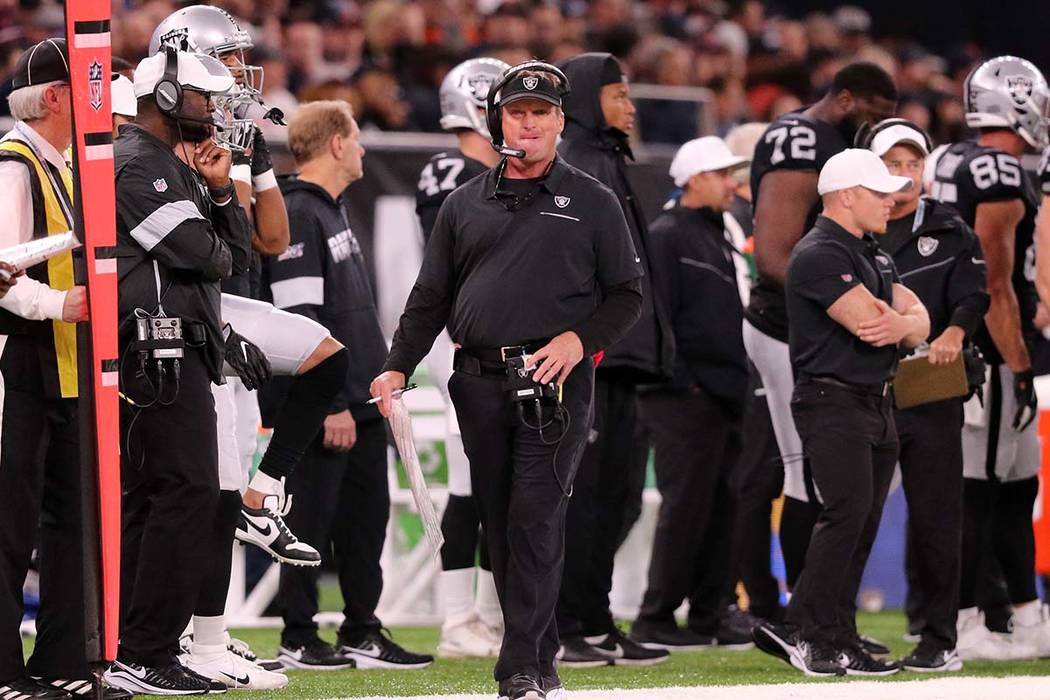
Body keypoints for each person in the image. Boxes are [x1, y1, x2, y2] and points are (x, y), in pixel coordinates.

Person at [371, 60, 643, 700]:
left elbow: (627, 295)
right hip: (478, 381)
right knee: (498, 518)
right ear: (497, 120)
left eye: (541, 113)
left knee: (534, 518)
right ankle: (540, 655)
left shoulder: (595, 203)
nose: (529, 124)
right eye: (517, 112)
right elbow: (430, 297)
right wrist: (395, 364)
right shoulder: (464, 204)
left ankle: (518, 666)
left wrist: (579, 341)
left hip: (554, 383)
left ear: (559, 123)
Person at [264, 100, 433, 671]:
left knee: (365, 527)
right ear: (336, 143)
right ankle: (298, 635)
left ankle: (362, 627)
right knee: (308, 523)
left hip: (359, 403)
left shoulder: (332, 211)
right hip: (325, 409)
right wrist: (330, 402)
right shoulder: (299, 214)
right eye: (357, 138)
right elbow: (299, 317)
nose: (362, 148)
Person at [105, 49, 252, 696]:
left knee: (160, 497)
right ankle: (147, 648)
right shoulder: (139, 165)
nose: (216, 111)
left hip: (172, 349)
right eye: (203, 96)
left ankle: (134, 646)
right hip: (154, 351)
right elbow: (208, 256)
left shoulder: (170, 164)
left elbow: (234, 257)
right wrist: (214, 223)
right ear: (164, 96)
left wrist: (221, 192)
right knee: (185, 492)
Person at [760, 149, 928, 677]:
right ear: (848, 195)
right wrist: (904, 325)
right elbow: (868, 323)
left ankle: (837, 632)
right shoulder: (817, 253)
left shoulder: (873, 253)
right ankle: (810, 633)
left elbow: (916, 320)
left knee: (861, 522)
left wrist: (905, 325)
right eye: (880, 192)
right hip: (833, 400)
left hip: (875, 400)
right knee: (845, 516)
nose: (892, 200)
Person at [0, 38, 126, 700]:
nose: (97, 105)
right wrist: (60, 302)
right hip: (25, 362)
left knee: (70, 519)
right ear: (54, 97)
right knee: (11, 526)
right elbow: (0, 272)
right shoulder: (15, 164)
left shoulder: (66, 165)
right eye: (86, 89)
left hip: (69, 369)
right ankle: (2, 672)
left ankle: (63, 662)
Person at [743, 63, 898, 600]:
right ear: (847, 98)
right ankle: (806, 618)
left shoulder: (826, 140)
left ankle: (825, 616)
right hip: (788, 326)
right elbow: (774, 256)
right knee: (802, 471)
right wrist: (842, 296)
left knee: (821, 475)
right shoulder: (803, 139)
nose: (875, 127)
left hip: (813, 329)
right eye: (874, 114)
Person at [553, 50, 673, 667]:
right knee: (587, 497)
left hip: (623, 358)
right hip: (593, 357)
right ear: (582, 97)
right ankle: (566, 622)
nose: (630, 104)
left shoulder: (605, 158)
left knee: (619, 498)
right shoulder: (576, 161)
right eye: (618, 93)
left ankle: (594, 619)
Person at [929, 55, 1050, 660]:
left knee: (1012, 484)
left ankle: (1026, 616)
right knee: (978, 488)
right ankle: (967, 621)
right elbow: (996, 284)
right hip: (986, 348)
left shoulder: (945, 157)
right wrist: (1021, 366)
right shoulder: (1002, 172)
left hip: (949, 336)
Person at [863, 118, 989, 671]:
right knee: (849, 511)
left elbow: (974, 292)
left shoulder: (951, 226)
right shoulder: (851, 223)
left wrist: (955, 335)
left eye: (914, 164)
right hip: (864, 387)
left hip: (930, 387)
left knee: (938, 514)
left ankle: (939, 634)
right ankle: (829, 629)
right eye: (893, 163)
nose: (905, 174)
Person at [631, 137, 752, 650]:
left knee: (721, 507)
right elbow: (657, 317)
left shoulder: (713, 235)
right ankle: (656, 615)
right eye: (723, 175)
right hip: (685, 397)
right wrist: (686, 383)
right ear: (696, 179)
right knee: (686, 507)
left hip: (720, 395)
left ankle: (709, 613)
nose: (732, 184)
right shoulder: (667, 235)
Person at [416, 56, 508, 659]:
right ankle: (457, 619)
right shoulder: (451, 169)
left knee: (500, 489)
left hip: (495, 348)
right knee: (472, 488)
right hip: (468, 349)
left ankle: (493, 617)